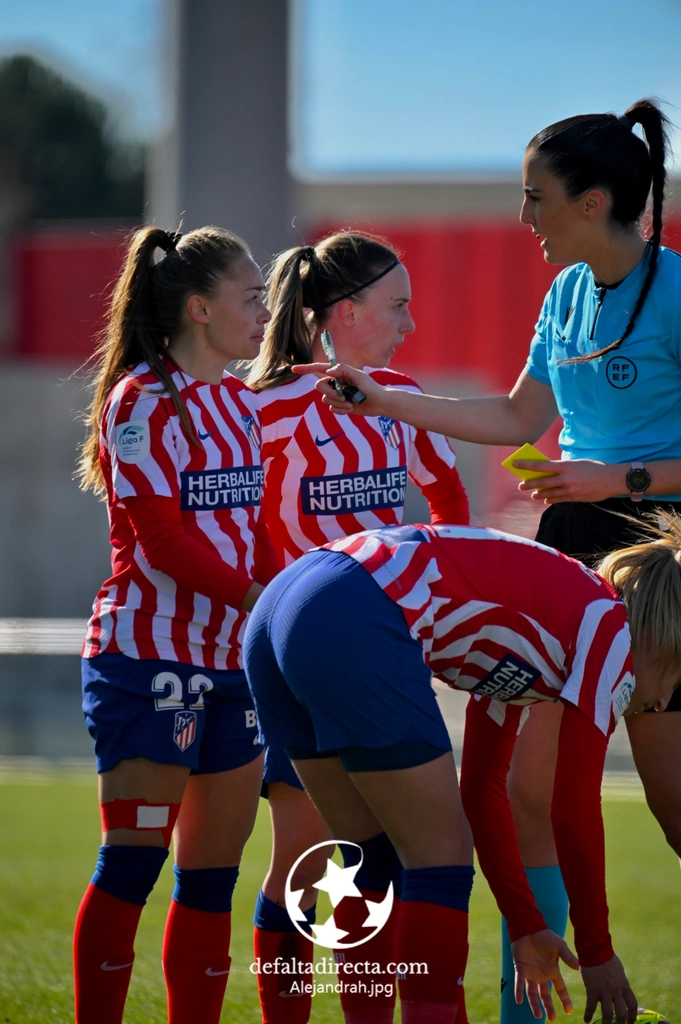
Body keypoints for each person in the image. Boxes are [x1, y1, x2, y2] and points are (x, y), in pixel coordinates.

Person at [295, 97, 681, 1024]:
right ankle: (529, 1010)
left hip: (665, 556)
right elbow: (515, 418)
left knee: (672, 805)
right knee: (523, 795)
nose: (523, 216)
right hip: (573, 548)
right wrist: (385, 401)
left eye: (535, 197)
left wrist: (619, 477)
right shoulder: (563, 296)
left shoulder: (675, 289)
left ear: (591, 202)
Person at [244, 517, 681, 1024]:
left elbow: (480, 787)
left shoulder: (552, 629)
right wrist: (598, 953)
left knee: (377, 859)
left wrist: (525, 923)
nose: (664, 702)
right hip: (355, 605)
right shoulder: (613, 632)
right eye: (678, 681)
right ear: (668, 638)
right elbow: (573, 809)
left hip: (285, 603)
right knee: (440, 858)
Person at [244, 230, 470, 1024]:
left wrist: (428, 603)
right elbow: (230, 525)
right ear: (344, 312)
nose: (410, 323)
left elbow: (448, 503)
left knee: (378, 858)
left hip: (380, 655)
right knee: (306, 864)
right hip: (300, 663)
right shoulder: (261, 408)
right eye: (396, 305)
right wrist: (276, 604)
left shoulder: (398, 398)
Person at [74, 225, 276, 1024]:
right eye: (250, 297)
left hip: (233, 667)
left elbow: (254, 533)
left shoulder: (239, 401)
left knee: (211, 883)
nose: (264, 313)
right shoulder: (141, 401)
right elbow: (162, 543)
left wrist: (278, 605)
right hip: (148, 658)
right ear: (199, 308)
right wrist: (263, 601)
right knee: (132, 868)